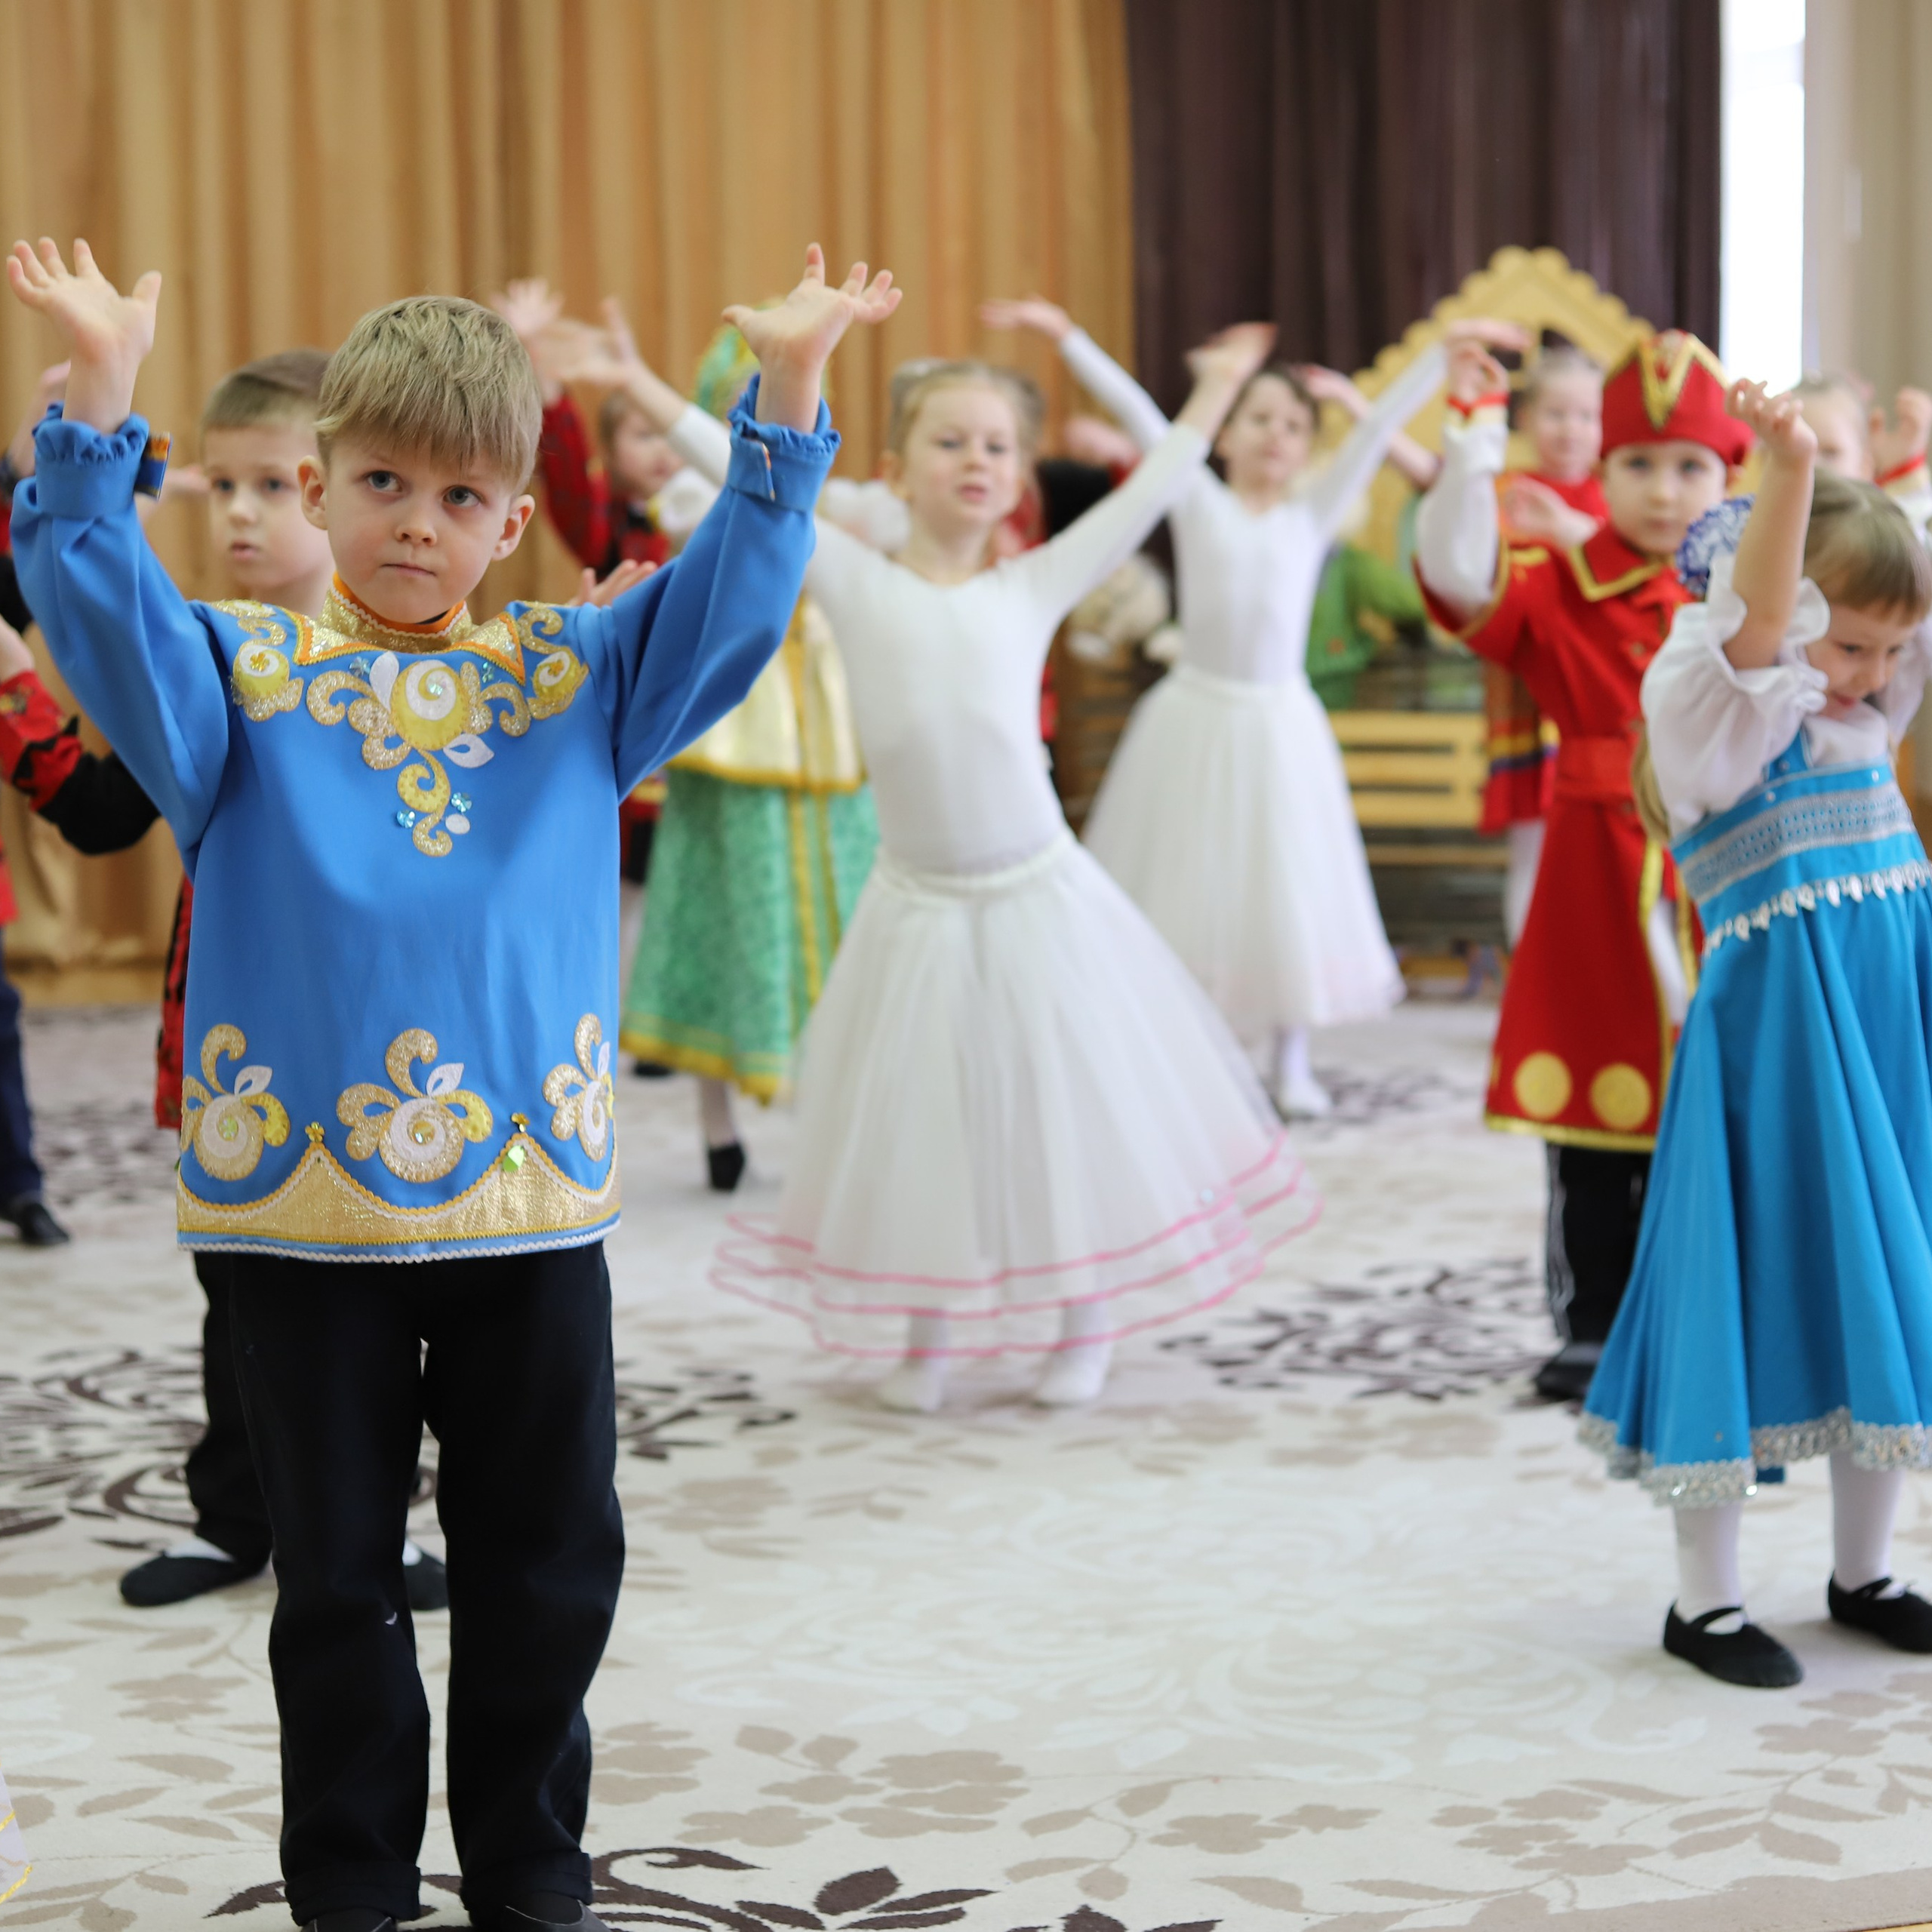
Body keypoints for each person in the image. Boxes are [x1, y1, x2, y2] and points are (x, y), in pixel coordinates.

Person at [9, 232, 888, 1932]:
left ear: (512, 519)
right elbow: (92, 605)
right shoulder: (234, 679)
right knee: (334, 1577)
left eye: (462, 496)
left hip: (530, 1215)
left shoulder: (578, 674)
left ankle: (530, 1862)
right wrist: (101, 397)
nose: (419, 522)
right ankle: (348, 1879)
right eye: (383, 483)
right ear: (320, 489)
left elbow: (736, 600)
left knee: (546, 1563)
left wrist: (788, 389)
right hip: (298, 1225)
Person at [617, 321, 1316, 1410]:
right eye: (949, 442)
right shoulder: (852, 573)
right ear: (893, 471)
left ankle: (1082, 1318)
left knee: (1062, 1111)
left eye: (997, 446)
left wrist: (1217, 389)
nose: (977, 461)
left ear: (1021, 478)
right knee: (926, 1123)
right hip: (915, 906)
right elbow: (747, 471)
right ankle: (931, 1332)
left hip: (1038, 896)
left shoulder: (1032, 584)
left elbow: (1157, 486)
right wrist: (637, 382)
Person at [1583, 381, 1932, 1687]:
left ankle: (1865, 1572)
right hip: (1776, 1056)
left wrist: (1884, 469)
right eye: (1859, 649)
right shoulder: (1721, 714)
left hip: (1888, 1041)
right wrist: (1785, 471)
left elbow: (1887, 592)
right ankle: (1707, 1603)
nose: (1879, 676)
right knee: (1747, 1282)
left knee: (1882, 1281)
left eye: (1896, 652)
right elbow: (1765, 619)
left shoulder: (1865, 707)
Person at [985, 299, 1507, 1118]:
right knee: (1187, 890)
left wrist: (1441, 356)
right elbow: (1140, 415)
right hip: (1191, 721)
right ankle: (1194, 1049)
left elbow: (1377, 432)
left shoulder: (1312, 513)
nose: (1274, 435)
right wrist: (1068, 337)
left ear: (1306, 447)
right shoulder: (1195, 496)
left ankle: (1290, 1059)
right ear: (1223, 434)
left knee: (1285, 889)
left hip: (1278, 728)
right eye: (1258, 418)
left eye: (1292, 425)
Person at [1416, 331, 1747, 1404]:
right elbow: (1456, 578)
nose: (1664, 490)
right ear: (1600, 469)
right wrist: (1472, 442)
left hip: (1727, 867)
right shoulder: (1560, 584)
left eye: (1690, 466)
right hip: (1593, 877)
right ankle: (1593, 1322)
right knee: (1590, 1125)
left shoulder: (1754, 593)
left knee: (1728, 1109)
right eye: (1638, 464)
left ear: (1729, 476)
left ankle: (1718, 1315)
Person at [529, 303, 879, 1189]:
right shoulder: (701, 495)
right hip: (733, 739)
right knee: (724, 920)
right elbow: (746, 478)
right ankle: (717, 1123)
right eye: (755, 397)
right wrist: (627, 385)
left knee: (841, 921)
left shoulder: (845, 502)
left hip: (827, 745)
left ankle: (840, 1110)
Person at [1478, 345, 1609, 946]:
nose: (1571, 430)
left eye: (1586, 415)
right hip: (1531, 690)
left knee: (1606, 843)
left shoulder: (1620, 497)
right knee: (1533, 840)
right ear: (1527, 418)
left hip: (1600, 687)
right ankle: (1526, 970)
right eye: (1557, 414)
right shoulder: (1505, 496)